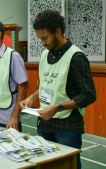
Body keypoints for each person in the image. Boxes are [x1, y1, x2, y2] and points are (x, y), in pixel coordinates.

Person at [20, 10, 96, 169]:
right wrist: (31, 98)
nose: (42, 42)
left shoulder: (76, 57)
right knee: (46, 163)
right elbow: (47, 86)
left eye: (45, 38)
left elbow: (89, 95)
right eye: (40, 38)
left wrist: (58, 107)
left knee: (69, 165)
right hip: (44, 122)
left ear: (58, 31)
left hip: (67, 125)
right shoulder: (44, 55)